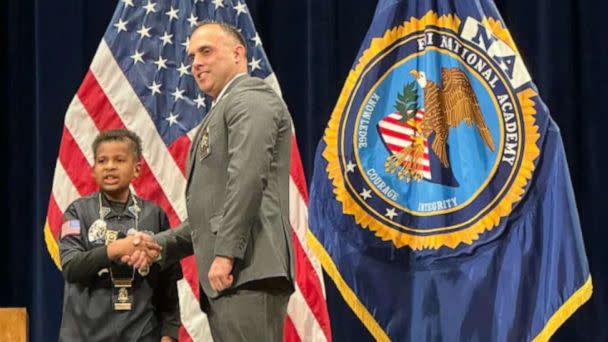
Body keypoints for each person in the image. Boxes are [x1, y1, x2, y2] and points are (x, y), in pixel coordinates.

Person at [125, 21, 295, 341]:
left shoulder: (250, 98)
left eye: (206, 51)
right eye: (191, 57)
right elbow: (210, 218)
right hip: (235, 275)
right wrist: (158, 246)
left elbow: (247, 179)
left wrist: (227, 253)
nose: (196, 63)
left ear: (238, 54)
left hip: (247, 268)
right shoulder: (221, 111)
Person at [58, 129, 181, 342]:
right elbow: (71, 267)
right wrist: (117, 249)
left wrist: (169, 334)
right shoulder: (76, 212)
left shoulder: (155, 215)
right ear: (93, 170)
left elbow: (168, 282)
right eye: (102, 161)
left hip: (142, 335)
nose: (110, 166)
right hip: (85, 335)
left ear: (137, 169)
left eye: (120, 160)